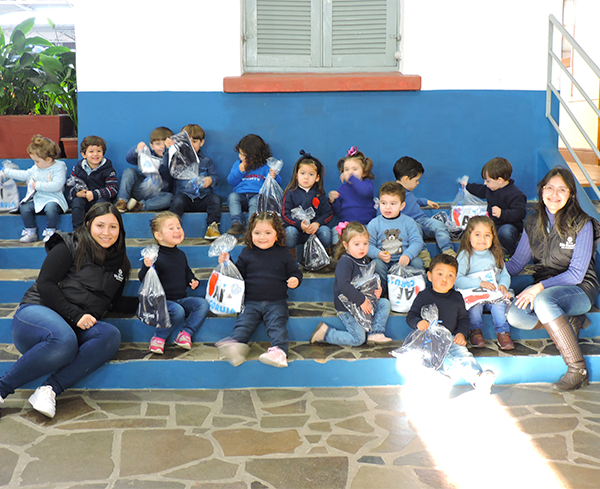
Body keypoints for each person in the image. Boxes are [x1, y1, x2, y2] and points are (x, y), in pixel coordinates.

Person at [0, 203, 130, 418]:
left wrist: (152, 302)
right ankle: (2, 388)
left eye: (113, 227)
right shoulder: (69, 244)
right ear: (88, 225)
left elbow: (113, 303)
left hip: (71, 328)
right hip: (37, 313)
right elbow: (46, 284)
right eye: (100, 225)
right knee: (64, 339)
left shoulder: (120, 265)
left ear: (120, 230)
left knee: (110, 334)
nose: (106, 232)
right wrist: (76, 315)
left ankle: (49, 390)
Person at [506, 166, 600, 391]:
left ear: (571, 195)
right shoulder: (532, 223)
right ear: (542, 191)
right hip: (546, 287)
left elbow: (576, 274)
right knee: (515, 315)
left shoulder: (582, 223)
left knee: (544, 300)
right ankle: (568, 322)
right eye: (549, 188)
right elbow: (517, 264)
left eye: (562, 190)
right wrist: (489, 275)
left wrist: (539, 287)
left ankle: (578, 369)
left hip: (580, 288)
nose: (554, 194)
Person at [216, 211, 303, 368]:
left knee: (277, 325)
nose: (262, 237)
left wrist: (295, 279)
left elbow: (295, 272)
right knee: (243, 324)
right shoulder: (247, 253)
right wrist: (228, 262)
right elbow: (238, 274)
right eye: (257, 233)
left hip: (276, 302)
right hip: (250, 302)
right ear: (250, 234)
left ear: (277, 234)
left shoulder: (283, 253)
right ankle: (236, 347)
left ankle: (279, 352)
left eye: (268, 233)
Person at [407, 253, 496, 393]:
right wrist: (418, 322)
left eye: (450, 275)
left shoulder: (457, 297)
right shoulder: (424, 296)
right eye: (440, 274)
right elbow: (411, 316)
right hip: (429, 340)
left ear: (455, 278)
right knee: (429, 358)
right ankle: (439, 378)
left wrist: (461, 333)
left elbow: (463, 319)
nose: (445, 279)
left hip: (451, 338)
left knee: (462, 355)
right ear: (429, 276)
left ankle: (478, 379)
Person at [310, 221, 392, 347]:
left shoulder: (364, 260)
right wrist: (361, 300)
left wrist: (377, 289)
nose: (362, 248)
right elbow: (344, 285)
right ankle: (326, 334)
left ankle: (375, 333)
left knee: (384, 303)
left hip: (364, 302)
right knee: (358, 339)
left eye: (365, 243)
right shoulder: (345, 262)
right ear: (346, 245)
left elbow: (368, 280)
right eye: (357, 244)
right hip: (347, 307)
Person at [139, 212, 210, 354]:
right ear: (159, 236)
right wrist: (147, 267)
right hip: (161, 301)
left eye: (178, 227)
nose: (177, 230)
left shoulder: (181, 254)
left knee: (202, 304)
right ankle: (159, 337)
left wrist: (192, 280)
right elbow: (143, 278)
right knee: (178, 311)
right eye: (171, 228)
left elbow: (186, 271)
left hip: (181, 299)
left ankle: (186, 333)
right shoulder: (155, 256)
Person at [455, 216, 514, 350]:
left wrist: (503, 285)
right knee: (474, 308)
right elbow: (457, 280)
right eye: (477, 234)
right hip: (474, 294)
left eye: (487, 235)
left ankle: (502, 332)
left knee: (499, 305)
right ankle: (475, 331)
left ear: (493, 237)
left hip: (493, 294)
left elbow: (504, 274)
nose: (482, 239)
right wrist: (479, 283)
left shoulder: (495, 254)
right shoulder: (465, 255)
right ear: (468, 236)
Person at [3, 135, 68, 243]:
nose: (35, 164)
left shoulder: (59, 167)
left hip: (54, 198)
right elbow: (25, 174)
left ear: (49, 159)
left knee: (51, 208)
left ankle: (51, 231)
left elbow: (57, 185)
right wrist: (7, 172)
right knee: (25, 208)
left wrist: (38, 185)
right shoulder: (36, 168)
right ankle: (30, 231)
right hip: (38, 199)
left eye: (37, 161)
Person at [393, 156, 456, 268]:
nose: (418, 183)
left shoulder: (408, 192)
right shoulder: (394, 194)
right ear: (406, 179)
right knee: (416, 231)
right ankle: (424, 256)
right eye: (416, 180)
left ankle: (448, 250)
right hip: (410, 225)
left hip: (423, 221)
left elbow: (414, 200)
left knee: (439, 225)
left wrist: (426, 201)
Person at [164, 124, 222, 240]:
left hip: (204, 197)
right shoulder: (177, 160)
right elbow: (165, 166)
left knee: (215, 200)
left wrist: (210, 180)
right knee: (177, 201)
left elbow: (216, 177)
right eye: (187, 142)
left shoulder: (207, 161)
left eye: (194, 141)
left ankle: (212, 228)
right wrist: (168, 150)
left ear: (202, 142)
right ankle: (171, 228)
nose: (190, 145)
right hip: (185, 196)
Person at [367, 181, 425, 295]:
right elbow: (368, 244)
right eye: (384, 203)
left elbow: (417, 242)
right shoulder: (374, 224)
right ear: (379, 203)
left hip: (404, 261)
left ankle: (417, 294)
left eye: (393, 203)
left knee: (417, 263)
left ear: (402, 206)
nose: (387, 207)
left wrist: (408, 255)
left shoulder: (408, 222)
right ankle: (384, 293)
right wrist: (378, 254)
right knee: (376, 264)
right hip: (384, 262)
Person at [465, 157, 527, 257]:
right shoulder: (490, 189)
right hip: (493, 224)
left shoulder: (515, 194)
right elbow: (480, 190)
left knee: (505, 232)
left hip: (509, 226)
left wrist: (502, 213)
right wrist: (467, 186)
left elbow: (520, 212)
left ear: (500, 180)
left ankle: (509, 255)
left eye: (488, 181)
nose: (485, 183)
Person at [226, 134, 281, 235]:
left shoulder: (266, 166)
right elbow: (231, 181)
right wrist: (239, 171)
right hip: (241, 195)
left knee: (255, 201)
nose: (239, 156)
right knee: (232, 197)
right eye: (240, 153)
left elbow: (277, 183)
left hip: (257, 195)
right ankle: (237, 224)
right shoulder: (238, 164)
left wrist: (274, 176)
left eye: (243, 154)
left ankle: (251, 226)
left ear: (253, 156)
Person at [281, 150, 333, 254]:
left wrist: (317, 223)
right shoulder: (290, 193)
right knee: (289, 232)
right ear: (296, 175)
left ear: (317, 178)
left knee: (325, 232)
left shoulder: (320, 194)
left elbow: (328, 213)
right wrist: (299, 224)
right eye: (302, 173)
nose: (306, 177)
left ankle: (325, 258)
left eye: (311, 174)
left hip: (314, 231)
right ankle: (291, 259)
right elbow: (285, 214)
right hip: (297, 229)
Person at [115, 126, 174, 213]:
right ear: (152, 146)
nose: (162, 147)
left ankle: (139, 206)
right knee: (130, 171)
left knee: (170, 197)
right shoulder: (148, 154)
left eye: (165, 144)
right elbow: (129, 159)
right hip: (140, 189)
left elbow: (167, 171)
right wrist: (137, 149)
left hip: (158, 193)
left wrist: (168, 151)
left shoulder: (174, 159)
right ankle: (122, 201)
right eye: (158, 144)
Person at [67, 136, 118, 229]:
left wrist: (94, 194)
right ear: (84, 154)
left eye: (99, 151)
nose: (95, 154)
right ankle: (79, 232)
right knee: (77, 203)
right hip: (84, 199)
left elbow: (113, 189)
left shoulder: (108, 170)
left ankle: (99, 230)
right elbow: (70, 185)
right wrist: (77, 193)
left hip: (101, 199)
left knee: (102, 205)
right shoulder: (77, 168)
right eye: (91, 151)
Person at [329, 147, 376, 234]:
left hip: (366, 225)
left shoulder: (368, 184)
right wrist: (333, 201)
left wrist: (352, 178)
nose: (350, 172)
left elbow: (365, 191)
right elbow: (337, 212)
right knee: (335, 233)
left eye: (355, 169)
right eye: (346, 169)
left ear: (364, 172)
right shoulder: (342, 188)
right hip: (347, 226)